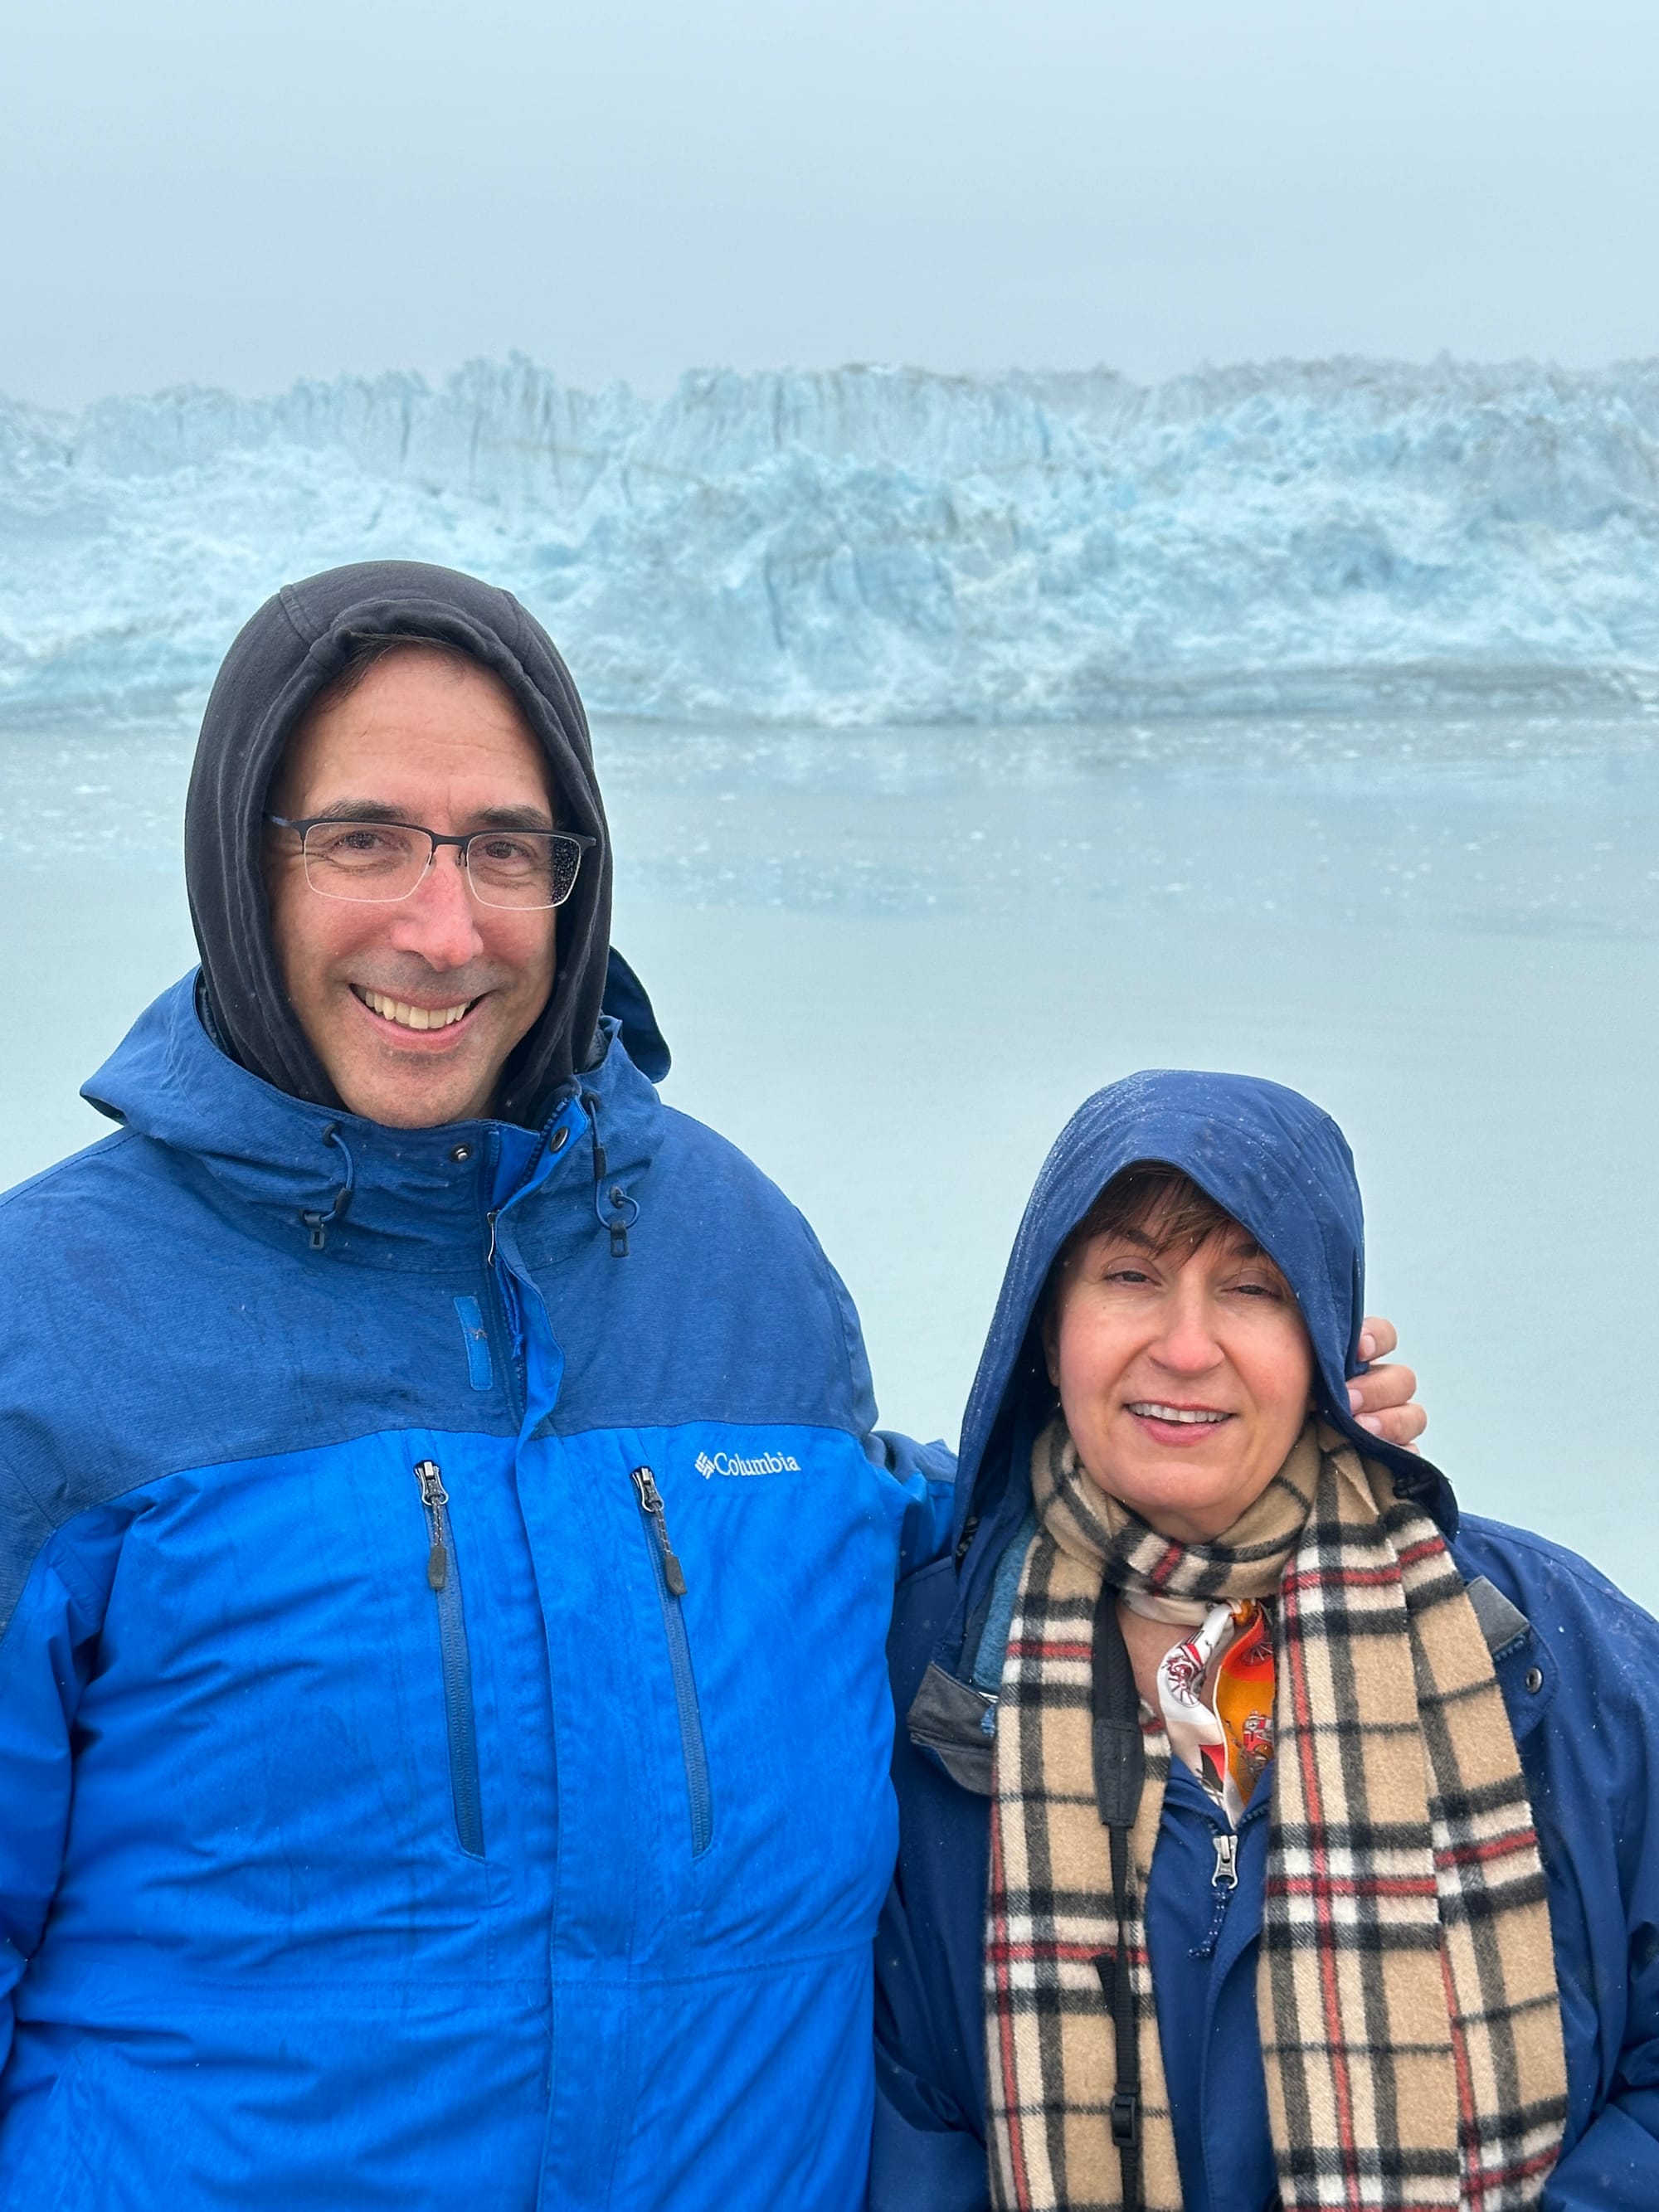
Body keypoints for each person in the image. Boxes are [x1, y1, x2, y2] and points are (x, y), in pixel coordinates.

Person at [0, 563, 1423, 2210]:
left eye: (506, 848)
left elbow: (936, 1582)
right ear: (244, 858)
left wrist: (1219, 1450)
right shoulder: (55, 1317)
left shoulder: (733, 1256)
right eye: (363, 837)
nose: (442, 927)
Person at [873, 1069, 1659, 2212]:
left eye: (1254, 1289)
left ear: (1330, 1342)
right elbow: (905, 2110)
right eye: (1131, 1277)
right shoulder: (936, 1673)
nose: (1187, 1349)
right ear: (1049, 1329)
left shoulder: (1542, 1647)